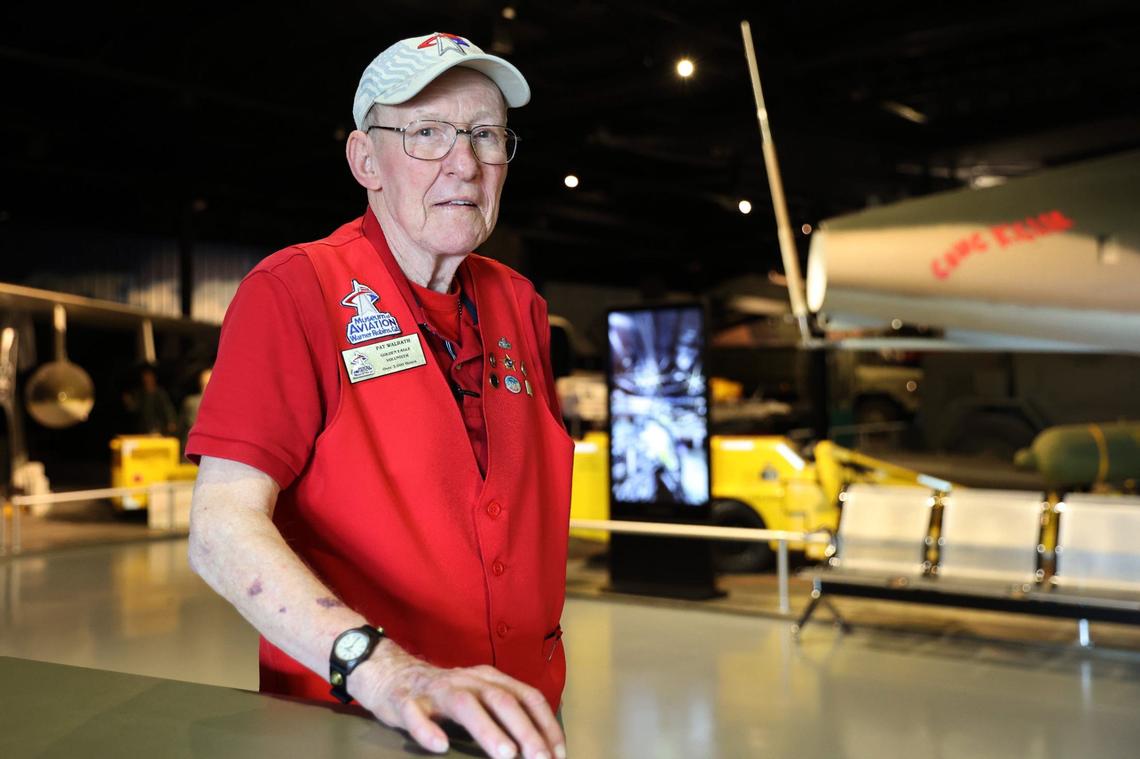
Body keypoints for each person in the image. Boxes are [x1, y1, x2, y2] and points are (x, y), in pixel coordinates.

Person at [186, 32, 573, 759]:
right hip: (357, 723)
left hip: (520, 720)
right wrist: (387, 671)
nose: (464, 162)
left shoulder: (520, 305)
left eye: (486, 135)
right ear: (367, 160)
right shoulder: (295, 291)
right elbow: (218, 529)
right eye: (427, 133)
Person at [123, 364, 178, 436]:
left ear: (154, 377)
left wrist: (171, 421)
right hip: (143, 430)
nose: (147, 378)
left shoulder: (160, 393)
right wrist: (129, 402)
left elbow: (167, 408)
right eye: (145, 376)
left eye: (149, 375)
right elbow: (134, 409)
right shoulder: (139, 393)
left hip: (159, 429)